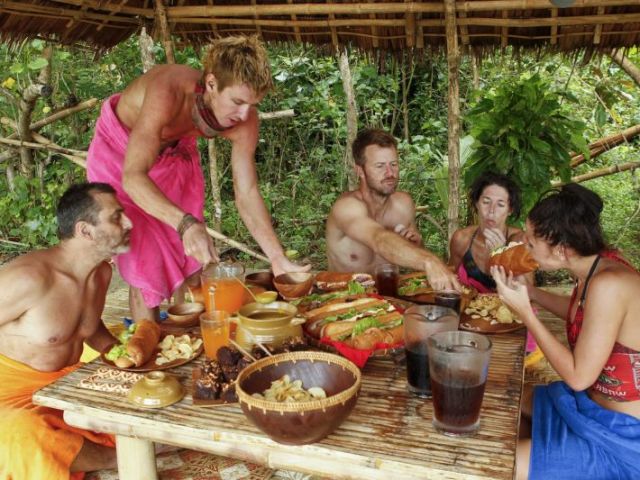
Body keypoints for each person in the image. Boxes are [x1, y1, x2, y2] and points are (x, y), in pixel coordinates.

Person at [86, 35, 306, 323]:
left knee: (191, 255)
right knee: (146, 254)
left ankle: (186, 334)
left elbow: (248, 192)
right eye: (238, 102)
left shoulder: (246, 119)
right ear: (212, 84)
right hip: (122, 156)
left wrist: (276, 256)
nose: (244, 114)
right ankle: (148, 342)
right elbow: (134, 176)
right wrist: (185, 223)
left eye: (252, 104)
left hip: (175, 155)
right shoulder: (167, 91)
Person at [491, 184, 640, 480]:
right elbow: (581, 312)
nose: (526, 249)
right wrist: (531, 293)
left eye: (532, 244)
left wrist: (525, 314)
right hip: (587, 406)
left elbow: (577, 375)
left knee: (503, 464)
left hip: (622, 439)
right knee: (506, 400)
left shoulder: (609, 286)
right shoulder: (597, 267)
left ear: (560, 249)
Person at [0, 182, 132, 479]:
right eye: (116, 217)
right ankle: (113, 458)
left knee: (145, 399)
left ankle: (83, 453)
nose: (129, 223)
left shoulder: (101, 272)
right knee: (23, 435)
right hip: (9, 392)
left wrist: (122, 356)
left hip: (68, 382)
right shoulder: (28, 279)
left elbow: (87, 324)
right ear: (85, 231)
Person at [326, 128, 459, 291]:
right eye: (380, 166)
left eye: (394, 164)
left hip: (391, 299)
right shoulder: (346, 207)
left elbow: (413, 256)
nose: (390, 173)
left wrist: (417, 245)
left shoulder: (403, 204)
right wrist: (430, 261)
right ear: (360, 170)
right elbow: (378, 239)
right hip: (344, 303)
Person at [449, 172, 526, 292]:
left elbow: (527, 292)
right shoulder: (462, 239)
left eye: (500, 205)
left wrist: (502, 257)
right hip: (468, 308)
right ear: (476, 203)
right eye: (486, 202)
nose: (491, 211)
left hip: (507, 309)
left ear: (510, 210)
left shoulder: (518, 241)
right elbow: (450, 280)